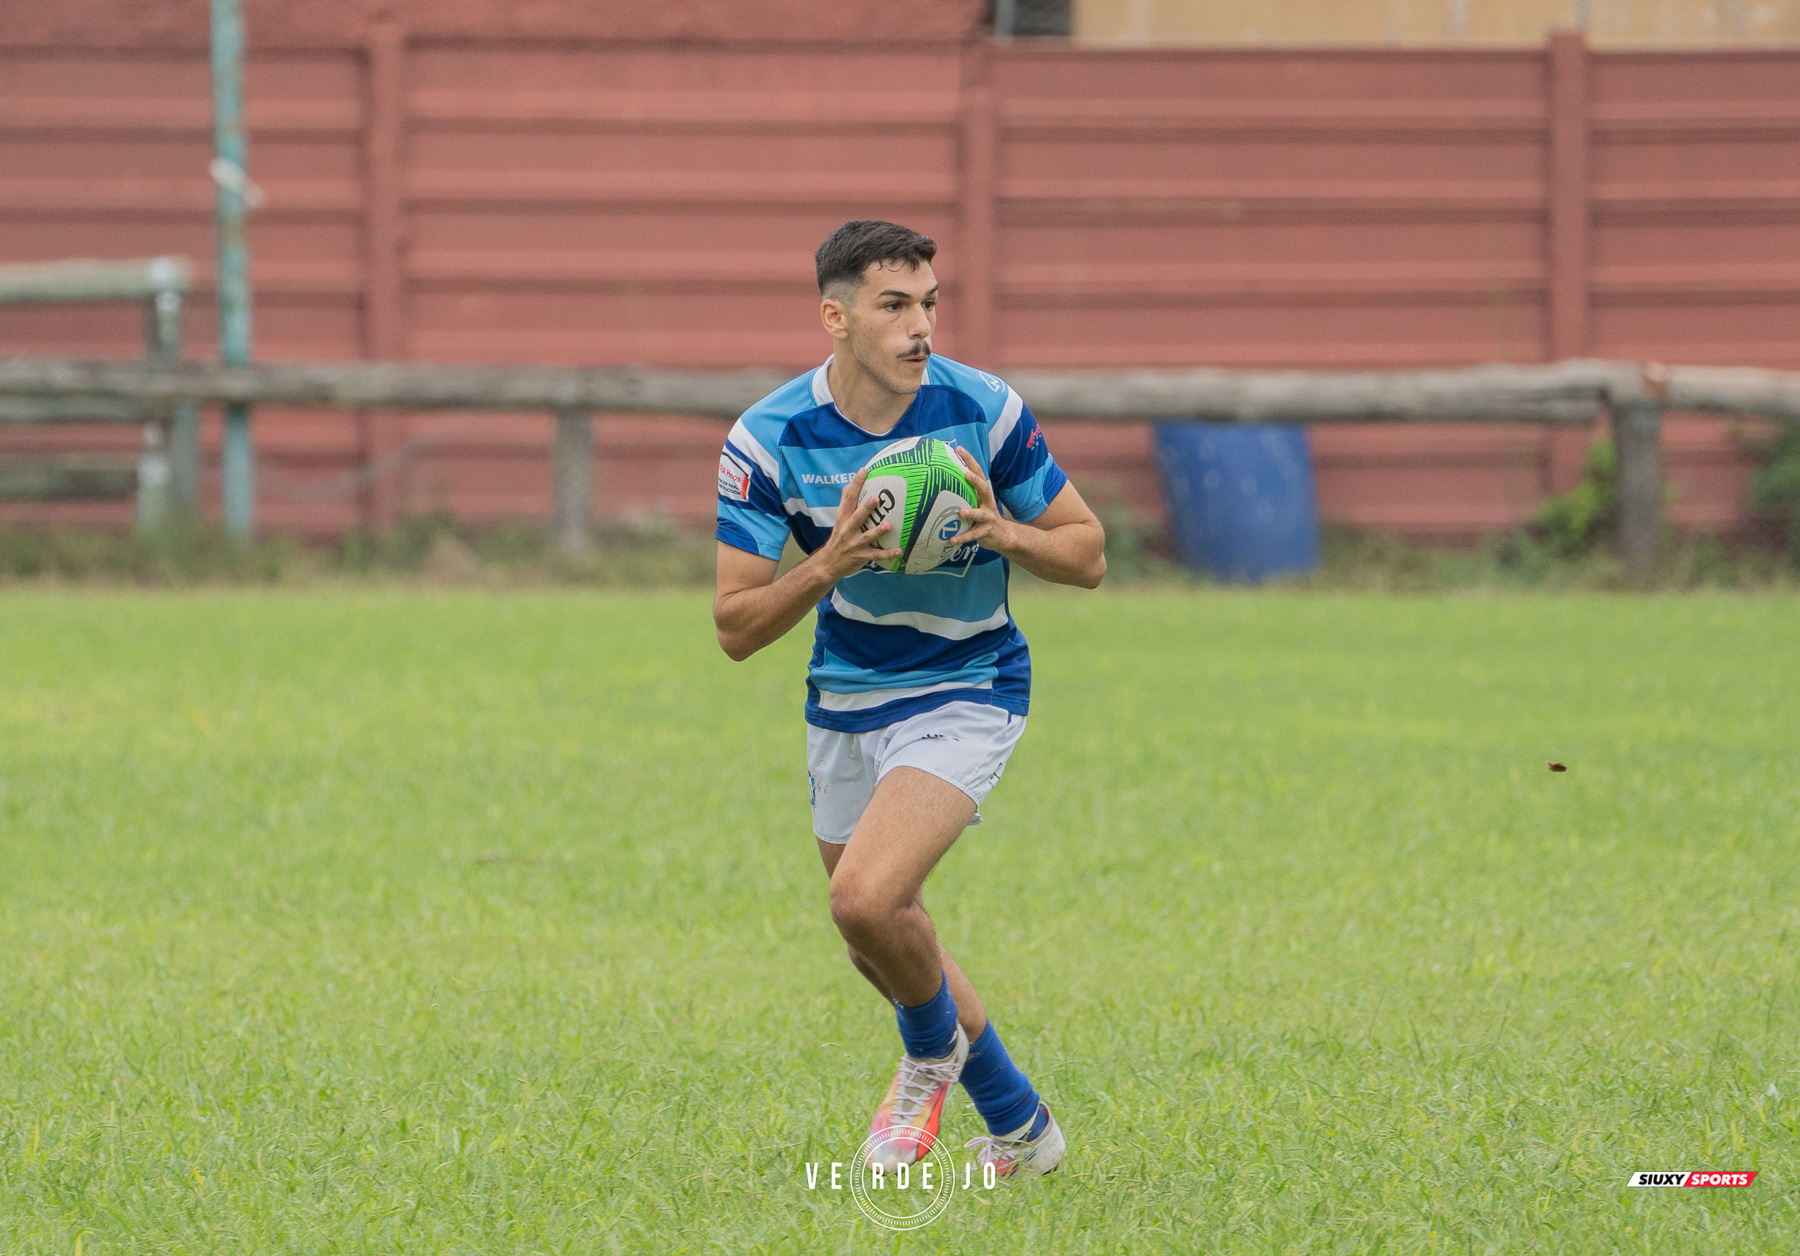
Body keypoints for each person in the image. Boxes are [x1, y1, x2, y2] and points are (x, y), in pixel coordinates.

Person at [712, 219, 1105, 1180]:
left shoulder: (985, 409)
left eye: (929, 302)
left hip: (970, 684)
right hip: (845, 696)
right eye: (895, 305)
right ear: (835, 318)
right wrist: (830, 564)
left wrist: (1004, 531)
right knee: (881, 938)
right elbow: (735, 627)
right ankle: (1026, 1133)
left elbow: (1089, 554)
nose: (919, 325)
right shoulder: (767, 439)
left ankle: (927, 1062)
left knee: (866, 897)